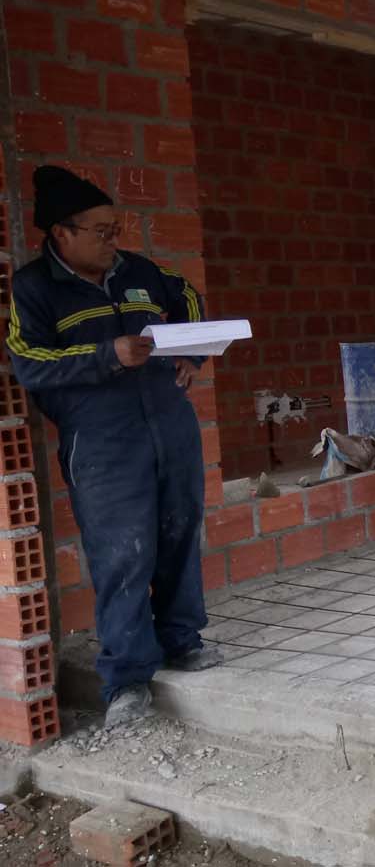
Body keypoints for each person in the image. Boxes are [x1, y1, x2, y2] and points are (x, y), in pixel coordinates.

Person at [8, 166, 219, 728]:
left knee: (179, 530)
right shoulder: (34, 288)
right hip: (101, 440)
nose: (112, 241)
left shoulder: (139, 271)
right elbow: (29, 363)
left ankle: (182, 639)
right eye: (101, 231)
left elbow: (188, 295)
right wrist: (108, 355)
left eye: (115, 228)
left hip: (169, 423)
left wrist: (191, 354)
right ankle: (126, 680)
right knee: (122, 551)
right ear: (62, 233)